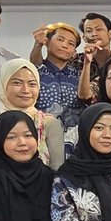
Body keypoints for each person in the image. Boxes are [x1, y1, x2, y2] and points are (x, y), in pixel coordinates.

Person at [0, 59, 66, 170]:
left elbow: (57, 170)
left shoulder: (50, 123)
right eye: (17, 83)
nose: (25, 90)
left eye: (32, 84)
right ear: (3, 85)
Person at [30, 22, 90, 152]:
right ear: (47, 42)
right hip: (41, 139)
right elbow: (34, 63)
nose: (64, 45)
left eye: (71, 44)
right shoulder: (35, 73)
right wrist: (37, 45)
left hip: (76, 142)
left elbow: (86, 97)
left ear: (74, 52)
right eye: (60, 40)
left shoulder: (80, 76)